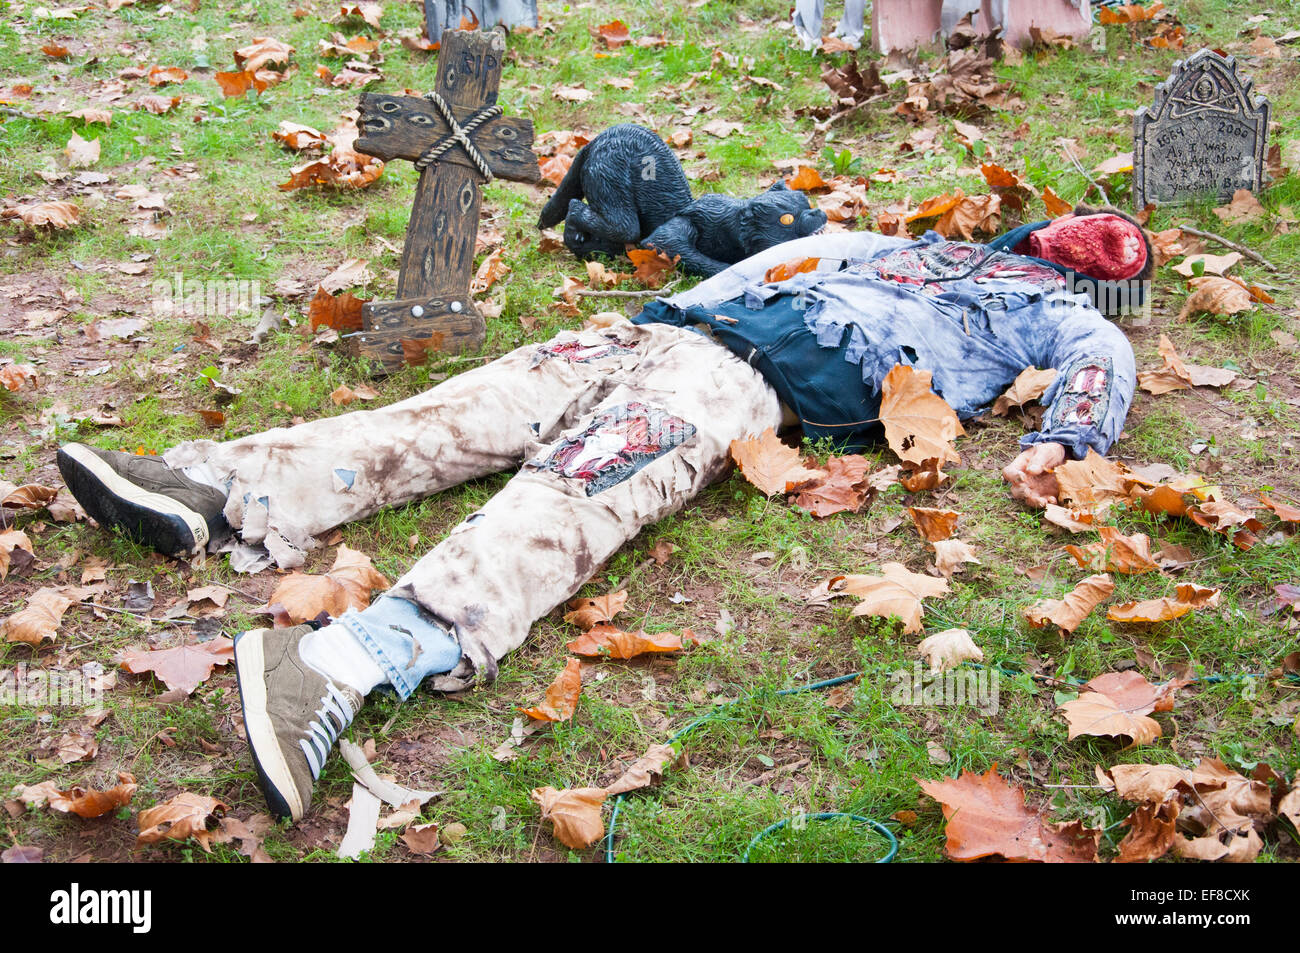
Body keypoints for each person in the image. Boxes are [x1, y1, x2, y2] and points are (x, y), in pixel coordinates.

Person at [55, 205, 1152, 823]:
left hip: (740, 388)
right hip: (665, 330)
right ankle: (217, 488)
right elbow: (784, 256)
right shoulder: (907, 243)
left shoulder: (1061, 319)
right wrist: (670, 303)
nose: (1072, 250)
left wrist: (1064, 443)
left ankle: (346, 660)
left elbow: (1098, 372)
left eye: (1095, 256)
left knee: (577, 492)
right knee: (455, 413)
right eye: (1071, 232)